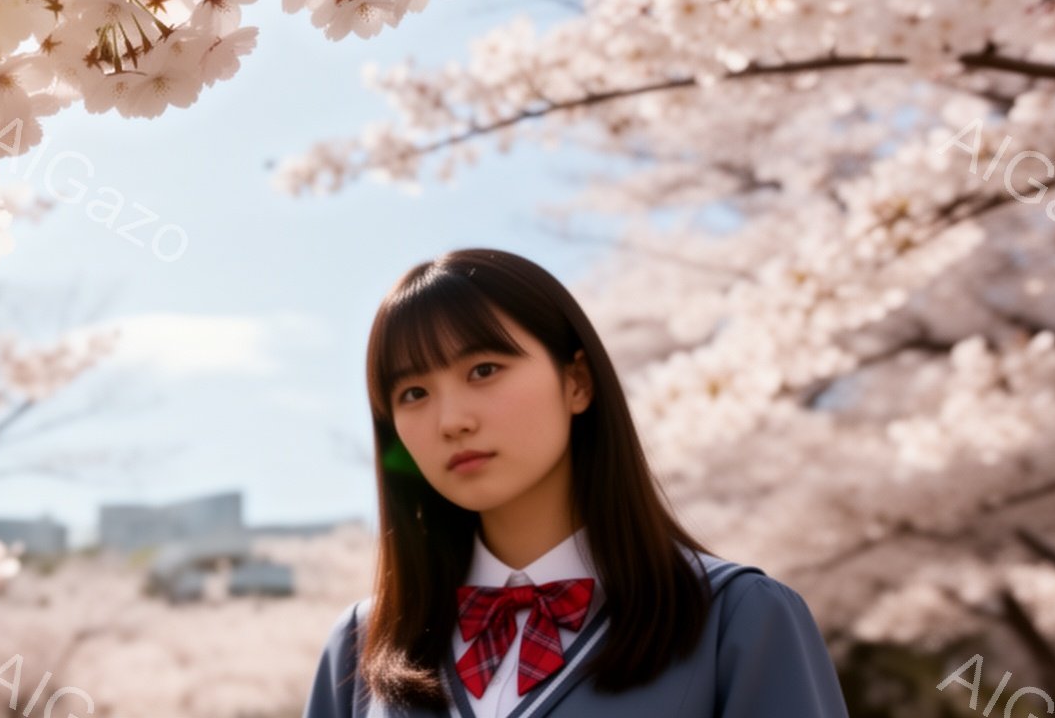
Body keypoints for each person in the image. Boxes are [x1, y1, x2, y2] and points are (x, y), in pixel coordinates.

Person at [302, 248, 850, 718]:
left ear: (578, 382)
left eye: (484, 370)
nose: (451, 420)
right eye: (413, 394)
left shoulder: (738, 617)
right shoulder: (361, 645)